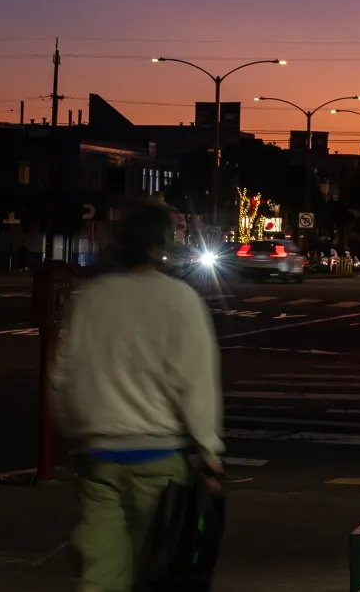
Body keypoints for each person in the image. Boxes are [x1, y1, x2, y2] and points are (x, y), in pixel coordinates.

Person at [51, 205, 223, 592]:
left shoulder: (91, 297)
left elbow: (64, 374)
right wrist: (209, 451)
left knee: (99, 572)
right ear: (160, 243)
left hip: (98, 457)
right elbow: (195, 382)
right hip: (160, 459)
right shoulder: (180, 299)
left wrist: (73, 428)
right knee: (160, 569)